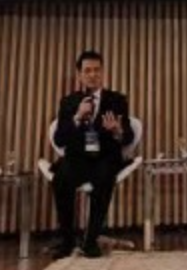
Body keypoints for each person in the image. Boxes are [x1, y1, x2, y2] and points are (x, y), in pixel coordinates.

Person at [49, 50, 134, 259]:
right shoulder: (68, 102)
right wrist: (77, 117)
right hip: (77, 158)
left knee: (105, 176)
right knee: (61, 179)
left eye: (97, 70)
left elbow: (129, 137)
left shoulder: (117, 100)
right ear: (80, 75)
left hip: (105, 158)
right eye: (88, 71)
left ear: (102, 72)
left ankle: (90, 241)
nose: (93, 75)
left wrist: (117, 131)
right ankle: (67, 240)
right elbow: (59, 139)